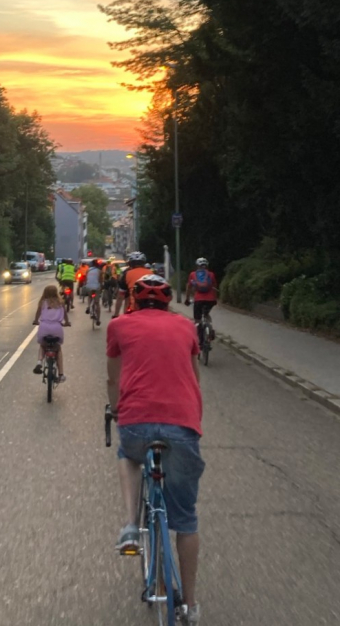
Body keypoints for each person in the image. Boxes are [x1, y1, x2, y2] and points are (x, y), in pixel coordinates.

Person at [106, 275, 204, 626]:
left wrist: (115, 408)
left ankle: (132, 525)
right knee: (187, 520)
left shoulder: (118, 326)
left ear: (134, 300)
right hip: (182, 425)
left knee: (128, 456)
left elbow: (114, 382)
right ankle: (190, 607)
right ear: (167, 303)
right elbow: (194, 378)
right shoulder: (187, 328)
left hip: (137, 425)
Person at [32, 284, 71, 380]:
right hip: (57, 328)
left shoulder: (42, 302)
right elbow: (65, 315)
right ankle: (61, 374)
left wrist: (36, 320)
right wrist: (66, 322)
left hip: (44, 327)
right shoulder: (60, 302)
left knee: (42, 345)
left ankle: (39, 362)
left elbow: (38, 313)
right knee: (58, 349)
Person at [185, 258, 218, 342]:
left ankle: (199, 338)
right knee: (206, 314)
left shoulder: (192, 274)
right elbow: (214, 287)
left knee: (197, 319)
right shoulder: (211, 274)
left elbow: (189, 288)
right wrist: (215, 298)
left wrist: (187, 299)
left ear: (197, 265)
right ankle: (210, 328)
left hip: (198, 299)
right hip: (210, 299)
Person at [112, 251, 150, 316]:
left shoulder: (127, 273)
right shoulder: (150, 273)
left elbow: (120, 297)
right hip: (149, 308)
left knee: (127, 298)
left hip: (133, 309)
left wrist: (116, 315)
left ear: (130, 264)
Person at [83, 258, 102, 324]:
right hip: (96, 287)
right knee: (97, 303)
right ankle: (98, 320)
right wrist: (101, 287)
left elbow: (86, 279)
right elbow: (100, 280)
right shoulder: (99, 271)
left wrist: (85, 284)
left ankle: (88, 306)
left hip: (89, 287)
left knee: (90, 296)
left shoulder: (88, 270)